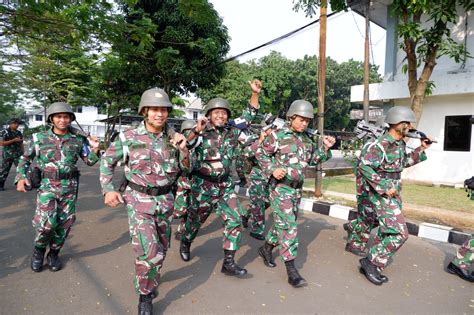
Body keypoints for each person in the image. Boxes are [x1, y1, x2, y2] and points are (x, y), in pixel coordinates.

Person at [100, 87, 189, 315]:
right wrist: (108, 189)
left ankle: (148, 279)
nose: (159, 114)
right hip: (139, 201)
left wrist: (184, 150)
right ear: (145, 111)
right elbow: (107, 161)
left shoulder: (175, 138)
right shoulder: (128, 137)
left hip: (166, 201)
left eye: (163, 110)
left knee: (162, 248)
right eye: (154, 109)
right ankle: (145, 296)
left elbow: (187, 169)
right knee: (148, 252)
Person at [179, 80, 261, 277]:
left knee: (235, 220)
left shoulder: (232, 131)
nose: (221, 115)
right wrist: (196, 131)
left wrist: (255, 93)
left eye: (224, 112)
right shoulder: (199, 132)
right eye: (216, 112)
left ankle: (229, 262)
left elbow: (249, 116)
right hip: (202, 186)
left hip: (224, 185)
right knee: (195, 221)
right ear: (208, 115)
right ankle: (186, 240)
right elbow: (183, 145)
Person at [346, 106, 432, 286]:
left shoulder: (399, 144)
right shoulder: (379, 145)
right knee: (400, 233)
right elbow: (364, 166)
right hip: (381, 194)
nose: (410, 126)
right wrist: (383, 186)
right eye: (406, 123)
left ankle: (373, 262)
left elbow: (403, 163)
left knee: (385, 228)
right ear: (396, 123)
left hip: (394, 191)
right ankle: (370, 263)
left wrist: (421, 149)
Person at [256, 100, 335, 288]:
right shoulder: (276, 135)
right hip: (280, 188)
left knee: (283, 222)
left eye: (307, 121)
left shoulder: (307, 139)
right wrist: (272, 169)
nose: (304, 123)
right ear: (291, 118)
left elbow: (314, 160)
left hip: (296, 188)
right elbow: (260, 153)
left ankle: (266, 248)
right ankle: (291, 269)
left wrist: (325, 148)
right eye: (301, 119)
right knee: (289, 227)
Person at [15, 102, 100, 273]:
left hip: (69, 188)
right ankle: (38, 251)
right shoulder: (39, 138)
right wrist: (21, 178)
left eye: (66, 117)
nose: (62, 120)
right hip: (47, 187)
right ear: (52, 119)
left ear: (70, 119)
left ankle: (54, 253)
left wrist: (96, 148)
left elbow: (89, 160)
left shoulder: (78, 139)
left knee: (64, 224)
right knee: (46, 224)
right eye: (58, 116)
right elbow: (25, 159)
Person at [241, 125, 274, 240]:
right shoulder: (255, 139)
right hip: (257, 176)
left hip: (271, 177)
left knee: (267, 202)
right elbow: (246, 153)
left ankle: (246, 215)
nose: (273, 130)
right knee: (258, 203)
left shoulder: (276, 140)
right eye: (271, 128)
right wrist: (260, 140)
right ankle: (256, 230)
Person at [173, 119, 196, 240]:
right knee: (181, 210)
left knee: (192, 209)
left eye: (191, 131)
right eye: (186, 132)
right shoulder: (177, 147)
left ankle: (186, 229)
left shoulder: (200, 146)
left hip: (197, 183)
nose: (189, 134)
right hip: (182, 182)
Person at [0, 118, 24, 191]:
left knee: (21, 169)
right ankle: (0, 185)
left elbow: (21, 143)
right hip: (7, 154)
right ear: (10, 124)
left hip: (18, 154)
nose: (17, 125)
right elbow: (1, 143)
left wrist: (23, 152)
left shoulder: (19, 133)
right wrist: (14, 140)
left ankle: (22, 184)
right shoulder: (4, 132)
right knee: (4, 170)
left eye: (18, 124)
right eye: (15, 123)